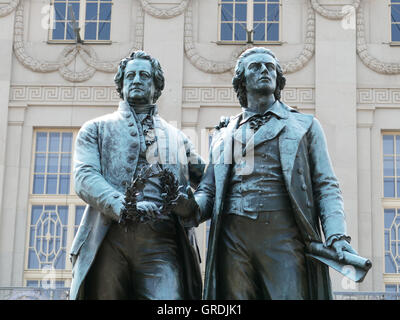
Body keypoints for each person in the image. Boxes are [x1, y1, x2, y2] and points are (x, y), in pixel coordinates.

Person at [192, 47, 357, 300]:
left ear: (278, 78)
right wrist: (187, 207)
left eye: (270, 67)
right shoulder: (223, 135)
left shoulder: (305, 125)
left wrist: (336, 235)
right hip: (233, 239)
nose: (264, 71)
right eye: (256, 67)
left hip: (283, 238)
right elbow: (208, 191)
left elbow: (326, 185)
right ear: (241, 81)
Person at [69, 50, 204, 300]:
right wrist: (123, 205)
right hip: (109, 239)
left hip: (162, 243)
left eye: (144, 75)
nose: (137, 80)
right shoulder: (96, 129)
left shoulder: (179, 139)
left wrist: (190, 206)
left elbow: (209, 183)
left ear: (156, 85)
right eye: (130, 75)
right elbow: (84, 176)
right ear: (121, 84)